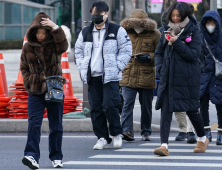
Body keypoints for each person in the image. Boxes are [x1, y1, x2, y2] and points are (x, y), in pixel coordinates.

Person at [154, 2, 209, 156]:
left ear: (185, 15)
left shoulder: (194, 30)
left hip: (187, 79)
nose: (176, 18)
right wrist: (160, 68)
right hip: (168, 78)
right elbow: (158, 52)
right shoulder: (166, 30)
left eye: (179, 15)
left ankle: (202, 138)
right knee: (166, 111)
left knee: (192, 111)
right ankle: (164, 145)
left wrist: (176, 42)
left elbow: (193, 55)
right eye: (173, 15)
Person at [75, 1, 132, 150]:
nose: (96, 16)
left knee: (110, 105)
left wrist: (117, 66)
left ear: (106, 14)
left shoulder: (116, 30)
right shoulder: (85, 32)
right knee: (95, 108)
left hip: (110, 76)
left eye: (99, 14)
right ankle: (102, 137)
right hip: (92, 76)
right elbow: (78, 52)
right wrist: (82, 69)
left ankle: (116, 133)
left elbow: (126, 50)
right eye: (93, 14)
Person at [20, 12, 68, 169]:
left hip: (54, 89)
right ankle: (31, 156)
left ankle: (56, 157)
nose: (40, 35)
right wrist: (29, 82)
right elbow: (24, 68)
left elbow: (64, 46)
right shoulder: (27, 47)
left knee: (56, 125)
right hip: (35, 92)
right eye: (38, 32)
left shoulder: (54, 45)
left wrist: (55, 27)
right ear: (33, 32)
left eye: (44, 32)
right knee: (34, 124)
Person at [119, 9, 160, 141]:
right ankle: (126, 130)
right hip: (128, 73)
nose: (137, 26)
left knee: (146, 106)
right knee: (127, 104)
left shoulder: (154, 34)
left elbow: (160, 54)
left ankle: (146, 131)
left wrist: (149, 57)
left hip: (146, 74)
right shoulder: (124, 32)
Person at [200, 10, 222, 145]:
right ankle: (206, 131)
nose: (210, 25)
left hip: (219, 76)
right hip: (203, 75)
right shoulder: (201, 37)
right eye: (207, 22)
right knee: (203, 104)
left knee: (220, 105)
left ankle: (220, 132)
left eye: (212, 22)